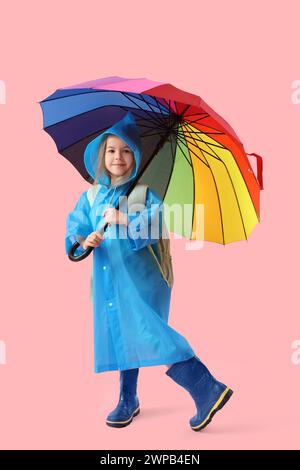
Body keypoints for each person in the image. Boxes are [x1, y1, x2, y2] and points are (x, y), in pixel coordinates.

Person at [65, 112, 233, 431]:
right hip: (108, 282)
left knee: (150, 334)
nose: (119, 157)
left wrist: (124, 219)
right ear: (102, 154)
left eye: (127, 150)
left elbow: (157, 225)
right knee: (122, 336)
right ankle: (128, 398)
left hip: (141, 282)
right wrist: (85, 239)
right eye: (112, 150)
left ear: (137, 156)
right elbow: (76, 227)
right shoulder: (89, 197)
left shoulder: (143, 194)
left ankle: (206, 388)